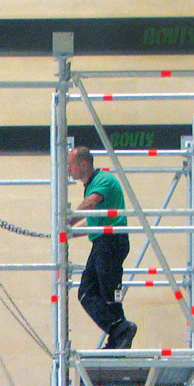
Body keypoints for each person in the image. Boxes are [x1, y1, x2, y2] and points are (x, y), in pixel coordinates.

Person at [67, 145, 136, 349]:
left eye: (70, 165)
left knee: (108, 292)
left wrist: (67, 221)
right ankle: (118, 330)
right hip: (101, 242)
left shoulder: (103, 180)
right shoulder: (92, 186)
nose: (69, 170)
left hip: (111, 242)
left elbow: (90, 204)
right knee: (87, 293)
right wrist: (70, 233)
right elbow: (93, 222)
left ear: (84, 164)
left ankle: (120, 333)